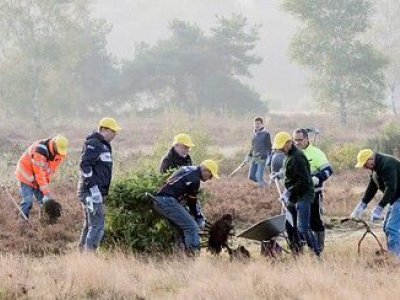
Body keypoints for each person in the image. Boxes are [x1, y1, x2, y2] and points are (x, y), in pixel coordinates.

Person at [154, 159, 219, 254]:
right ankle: (192, 257)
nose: (210, 178)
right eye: (211, 175)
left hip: (160, 199)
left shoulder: (188, 169)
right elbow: (192, 201)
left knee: (184, 226)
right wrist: (198, 217)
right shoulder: (194, 180)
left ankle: (180, 254)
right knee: (192, 227)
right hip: (167, 201)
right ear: (205, 170)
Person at [272, 131, 319, 255]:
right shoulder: (288, 155)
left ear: (289, 143)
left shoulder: (297, 157)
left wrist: (288, 192)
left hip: (303, 195)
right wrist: (280, 174)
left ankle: (315, 252)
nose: (280, 149)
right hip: (295, 195)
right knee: (289, 225)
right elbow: (291, 172)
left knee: (302, 227)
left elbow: (304, 181)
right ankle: (296, 251)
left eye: (282, 146)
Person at [78, 117, 121, 251]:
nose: (115, 134)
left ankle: (81, 255)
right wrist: (93, 189)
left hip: (96, 191)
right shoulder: (94, 143)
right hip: (90, 192)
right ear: (104, 129)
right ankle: (89, 256)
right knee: (97, 226)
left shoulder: (104, 145)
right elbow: (85, 165)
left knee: (89, 224)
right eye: (113, 131)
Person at [351, 149, 400, 256]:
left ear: (371, 159)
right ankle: (393, 254)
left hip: (398, 198)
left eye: (365, 164)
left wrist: (379, 207)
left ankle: (396, 259)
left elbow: (391, 188)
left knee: (391, 228)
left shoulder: (388, 164)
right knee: (386, 227)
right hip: (395, 199)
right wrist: (362, 204)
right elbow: (372, 187)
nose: (364, 167)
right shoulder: (375, 168)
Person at [292, 128, 333, 252]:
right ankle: (302, 248)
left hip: (314, 193)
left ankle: (318, 249)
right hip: (298, 194)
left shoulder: (316, 153)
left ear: (307, 139)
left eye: (300, 140)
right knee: (299, 223)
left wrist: (316, 178)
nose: (298, 143)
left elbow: (328, 171)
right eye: (295, 140)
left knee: (315, 221)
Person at [15, 135, 68, 219]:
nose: (59, 153)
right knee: (28, 200)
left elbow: (47, 172)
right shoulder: (40, 150)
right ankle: (22, 222)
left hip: (38, 177)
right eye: (58, 150)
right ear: (54, 145)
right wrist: (46, 192)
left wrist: (45, 191)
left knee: (43, 202)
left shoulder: (59, 155)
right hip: (26, 174)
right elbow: (39, 173)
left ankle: (44, 222)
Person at [246, 117, 272, 187]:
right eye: (255, 123)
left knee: (259, 176)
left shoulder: (266, 134)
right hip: (255, 157)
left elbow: (269, 147)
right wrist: (248, 156)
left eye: (258, 123)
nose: (256, 125)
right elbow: (253, 147)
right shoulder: (254, 134)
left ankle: (263, 189)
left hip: (262, 158)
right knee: (251, 176)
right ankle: (266, 185)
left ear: (262, 124)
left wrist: (270, 158)